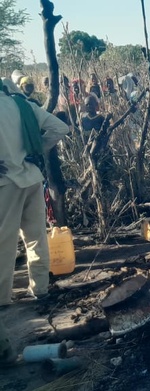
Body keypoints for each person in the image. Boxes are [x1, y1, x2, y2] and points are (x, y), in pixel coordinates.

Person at [0, 78, 70, 307]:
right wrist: (38, 148)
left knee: (4, 243)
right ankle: (39, 289)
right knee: (36, 237)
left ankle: (2, 298)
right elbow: (60, 128)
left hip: (6, 183)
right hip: (32, 178)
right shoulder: (24, 106)